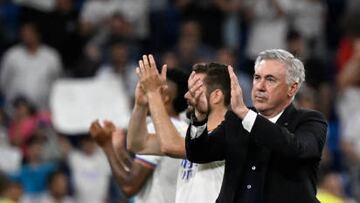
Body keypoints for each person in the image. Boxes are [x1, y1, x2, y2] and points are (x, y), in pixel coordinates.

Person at [185, 49, 328, 203]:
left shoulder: (311, 120)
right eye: (257, 77)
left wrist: (246, 115)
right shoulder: (236, 120)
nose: (260, 86)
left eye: (270, 79)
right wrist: (199, 118)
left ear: (292, 88)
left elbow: (295, 148)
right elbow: (198, 154)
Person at [89, 66, 189, 203]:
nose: (146, 87)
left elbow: (129, 186)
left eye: (153, 85)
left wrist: (107, 147)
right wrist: (120, 151)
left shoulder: (158, 129)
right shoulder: (182, 128)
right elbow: (145, 174)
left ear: (165, 97)